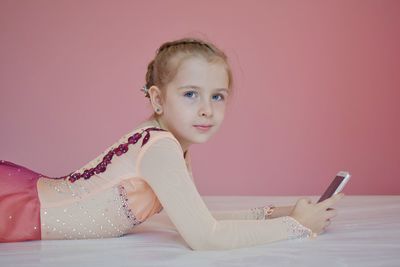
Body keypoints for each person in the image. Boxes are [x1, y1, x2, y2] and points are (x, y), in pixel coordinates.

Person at [0, 37, 344, 250]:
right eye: (191, 94)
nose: (207, 109)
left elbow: (196, 217)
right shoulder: (160, 148)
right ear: (158, 99)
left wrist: (285, 211)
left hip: (27, 196)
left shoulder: (169, 143)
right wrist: (297, 227)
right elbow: (206, 238)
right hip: (17, 208)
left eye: (218, 96)